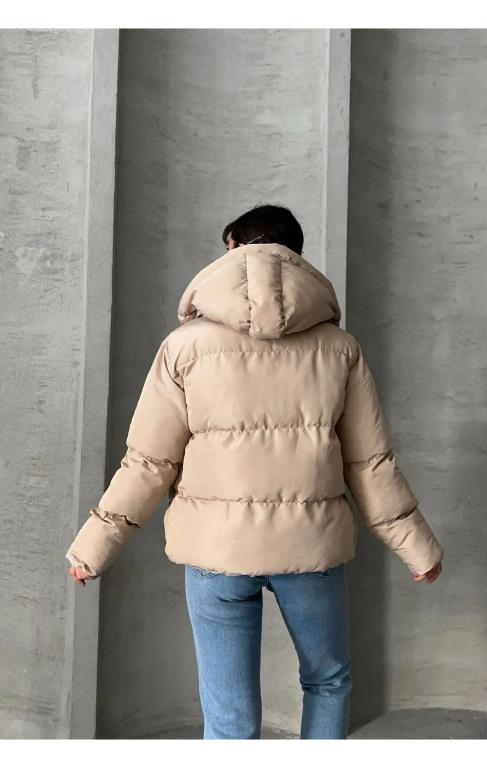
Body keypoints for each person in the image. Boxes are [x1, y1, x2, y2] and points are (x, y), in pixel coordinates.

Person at [66, 204, 443, 740]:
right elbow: (369, 463)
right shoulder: (340, 349)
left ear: (232, 251)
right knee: (328, 682)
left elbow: (149, 463)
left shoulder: (185, 347)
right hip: (310, 548)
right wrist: (418, 547)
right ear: (297, 258)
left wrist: (94, 547)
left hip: (217, 552)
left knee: (230, 720)